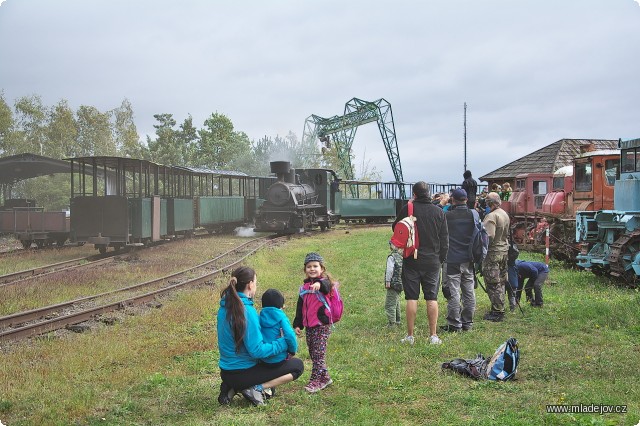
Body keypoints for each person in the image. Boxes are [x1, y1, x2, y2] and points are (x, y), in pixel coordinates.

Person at [217, 266, 304, 406]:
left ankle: (231, 387)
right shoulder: (247, 311)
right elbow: (257, 350)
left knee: (271, 390)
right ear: (250, 285)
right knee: (297, 366)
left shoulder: (225, 306)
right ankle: (252, 388)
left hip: (226, 371)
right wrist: (283, 343)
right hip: (242, 372)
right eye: (256, 283)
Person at [392, 181, 449, 345]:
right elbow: (445, 240)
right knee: (432, 297)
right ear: (429, 193)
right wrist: (440, 259)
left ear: (414, 194)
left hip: (411, 258)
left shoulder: (408, 209)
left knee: (412, 297)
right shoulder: (439, 212)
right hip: (432, 260)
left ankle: (410, 336)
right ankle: (433, 336)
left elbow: (396, 228)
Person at [293, 252, 337, 393]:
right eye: (309, 267)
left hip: (322, 324)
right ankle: (325, 377)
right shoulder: (304, 288)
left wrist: (319, 283)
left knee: (318, 354)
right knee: (314, 352)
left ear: (322, 269)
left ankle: (315, 381)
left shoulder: (325, 283)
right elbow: (300, 308)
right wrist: (298, 324)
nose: (312, 269)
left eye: (315, 266)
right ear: (305, 269)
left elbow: (327, 284)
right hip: (310, 326)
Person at [441, 188, 476, 332]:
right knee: (468, 291)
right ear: (466, 200)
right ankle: (467, 322)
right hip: (469, 258)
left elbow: (436, 214)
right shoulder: (474, 214)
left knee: (454, 292)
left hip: (452, 259)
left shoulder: (447, 216)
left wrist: (443, 204)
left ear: (452, 200)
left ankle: (455, 324)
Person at [481, 192, 511, 322]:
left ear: (490, 203)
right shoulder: (504, 214)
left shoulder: (491, 216)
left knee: (493, 282)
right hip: (504, 251)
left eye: (487, 202)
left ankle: (497, 311)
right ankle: (501, 305)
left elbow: (489, 236)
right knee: (502, 280)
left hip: (493, 253)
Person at [260, 289, 298, 365]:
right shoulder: (282, 318)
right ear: (281, 306)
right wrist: (292, 350)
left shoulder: (259, 317)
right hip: (279, 359)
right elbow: (290, 335)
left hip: (263, 359)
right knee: (298, 365)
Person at [384, 241, 403, 327]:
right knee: (396, 302)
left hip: (393, 284)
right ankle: (398, 320)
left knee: (390, 304)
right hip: (400, 283)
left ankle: (392, 323)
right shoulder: (401, 256)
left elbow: (390, 270)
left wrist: (388, 281)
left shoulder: (391, 257)